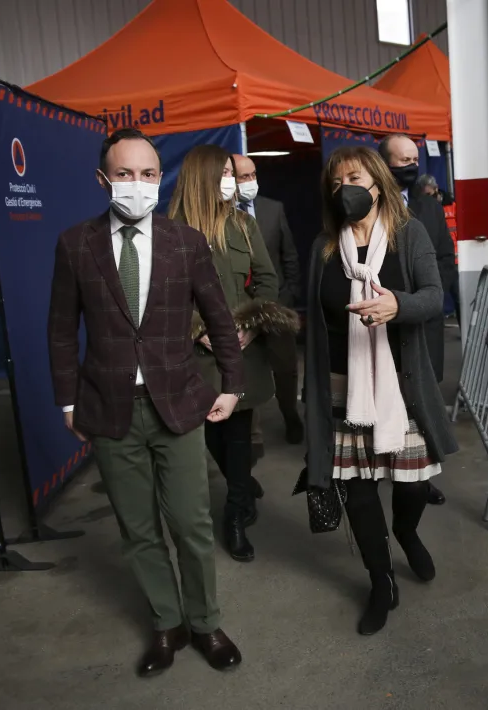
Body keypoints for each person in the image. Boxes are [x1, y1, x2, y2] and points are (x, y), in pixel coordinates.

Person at [48, 128, 244, 676]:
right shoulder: (74, 245)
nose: (138, 184)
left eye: (149, 174)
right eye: (125, 174)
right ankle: (167, 623)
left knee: (192, 524)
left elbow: (221, 319)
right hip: (108, 409)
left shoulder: (186, 243)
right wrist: (68, 403)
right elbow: (62, 330)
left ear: (162, 178)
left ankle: (205, 623)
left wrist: (231, 383)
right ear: (103, 179)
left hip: (178, 403)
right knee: (137, 530)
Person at [302, 145, 459, 635]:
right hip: (341, 390)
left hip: (401, 386)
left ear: (377, 182)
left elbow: (436, 296)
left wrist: (398, 307)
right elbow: (313, 321)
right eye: (335, 182)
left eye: (353, 177)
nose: (343, 188)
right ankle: (381, 579)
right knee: (357, 491)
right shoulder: (324, 247)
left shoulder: (408, 235)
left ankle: (407, 532)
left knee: (411, 483)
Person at [170, 145, 297, 563]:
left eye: (234, 172)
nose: (232, 179)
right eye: (225, 172)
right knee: (211, 432)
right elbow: (163, 295)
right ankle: (241, 484)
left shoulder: (244, 225)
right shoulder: (171, 230)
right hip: (196, 355)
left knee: (239, 432)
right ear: (202, 175)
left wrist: (248, 323)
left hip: (242, 349)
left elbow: (266, 278)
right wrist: (198, 329)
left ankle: (238, 511)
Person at [378, 134, 457, 507]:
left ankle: (422, 479)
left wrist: (431, 299)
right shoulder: (369, 208)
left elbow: (444, 257)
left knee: (424, 403)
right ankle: (393, 472)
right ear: (384, 163)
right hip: (384, 325)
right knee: (391, 403)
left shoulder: (429, 208)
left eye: (414, 159)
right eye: (402, 160)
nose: (410, 166)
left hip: (424, 323)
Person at [233, 153, 305, 452]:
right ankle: (252, 435)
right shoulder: (219, 216)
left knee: (285, 368)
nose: (250, 182)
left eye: (253, 175)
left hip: (276, 305)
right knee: (247, 370)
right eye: (242, 177)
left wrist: (285, 298)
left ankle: (290, 415)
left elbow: (289, 257)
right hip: (240, 308)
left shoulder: (273, 210)